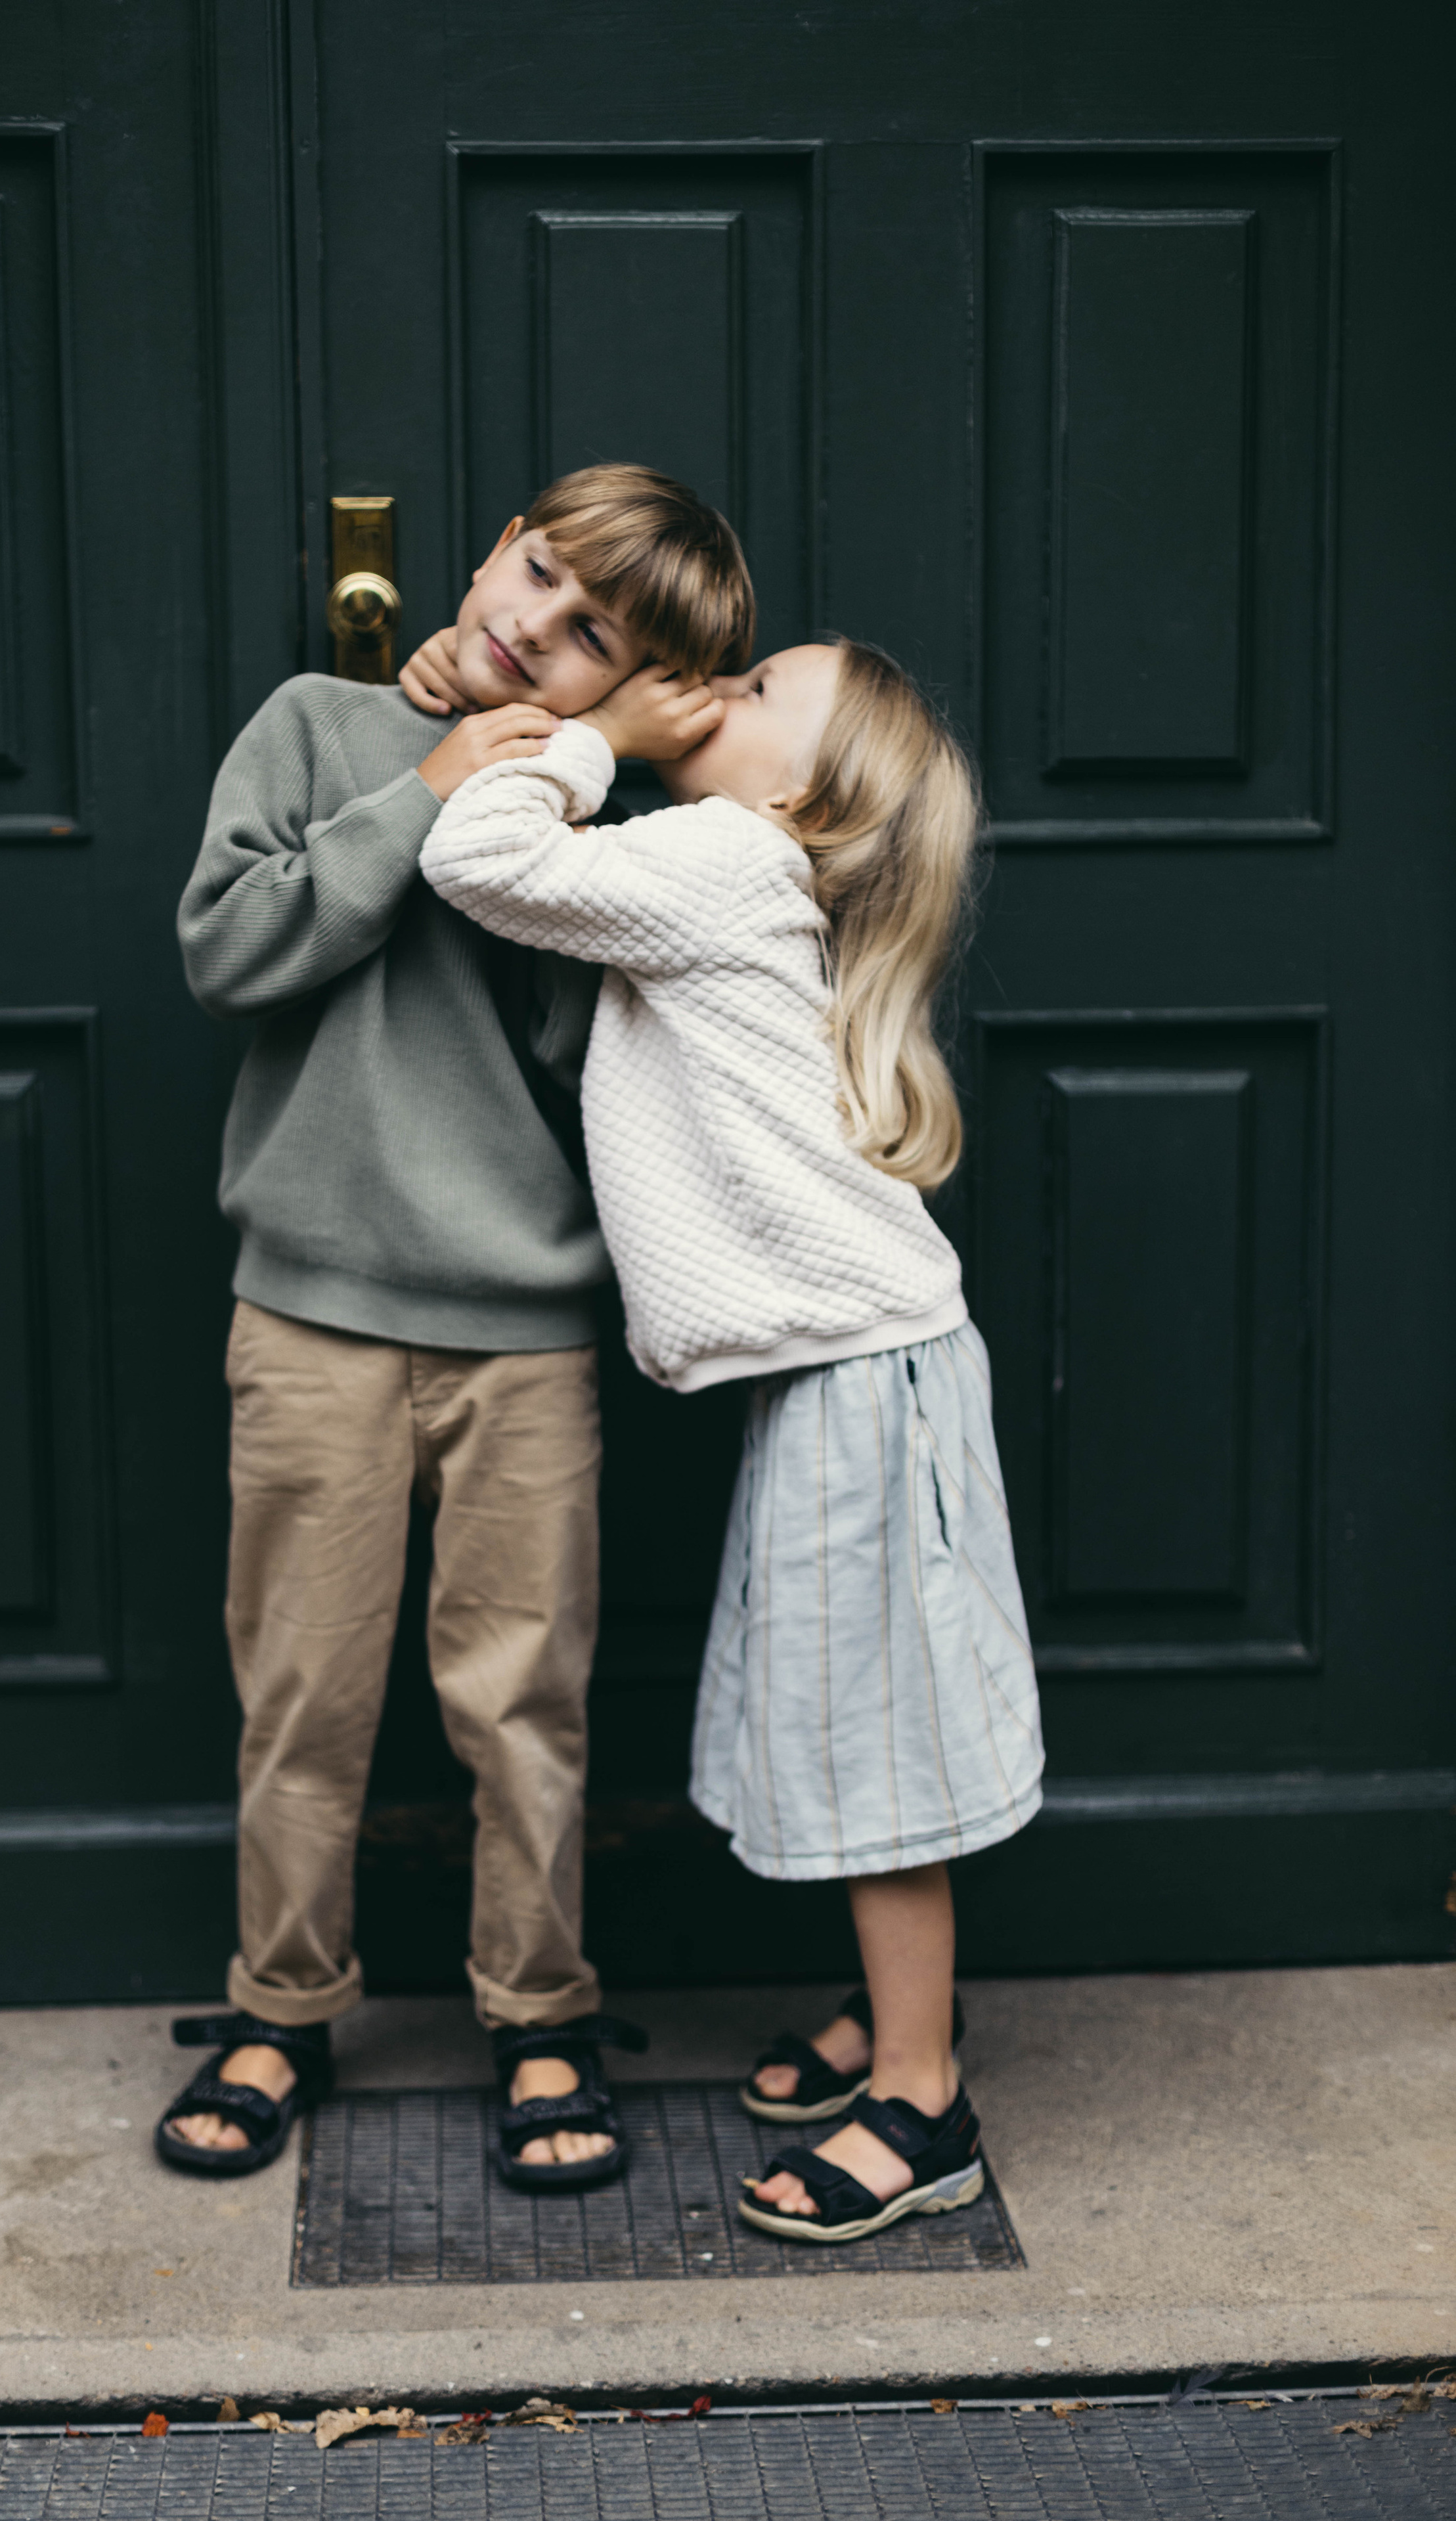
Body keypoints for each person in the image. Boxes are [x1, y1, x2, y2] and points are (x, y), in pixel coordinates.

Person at [159, 465, 754, 2188]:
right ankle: (280, 2003)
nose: (534, 630)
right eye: (540, 577)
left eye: (590, 642)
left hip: (524, 1329)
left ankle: (542, 2008)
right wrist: (420, 785)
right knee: (302, 1689)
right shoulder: (320, 723)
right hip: (313, 1314)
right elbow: (230, 947)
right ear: (497, 536)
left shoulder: (600, 809)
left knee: (526, 1698)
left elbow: (602, 1060)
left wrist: (562, 781)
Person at [418, 638, 1045, 2242]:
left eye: (756, 684)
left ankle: (922, 2097)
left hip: (861, 1371)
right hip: (850, 1369)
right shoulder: (745, 861)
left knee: (874, 1743)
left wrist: (591, 737)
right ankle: (896, 2013)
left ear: (802, 789)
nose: (712, 683)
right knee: (854, 1712)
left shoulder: (717, 853)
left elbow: (474, 850)